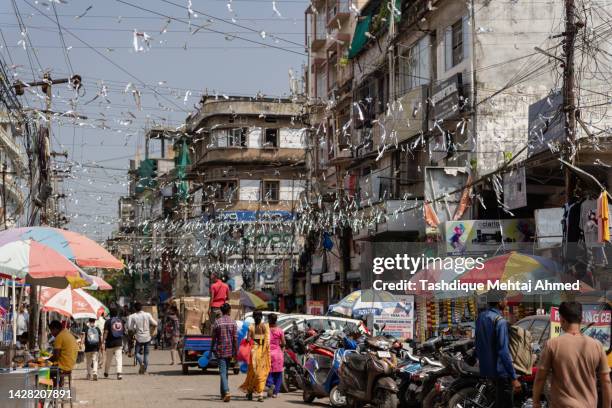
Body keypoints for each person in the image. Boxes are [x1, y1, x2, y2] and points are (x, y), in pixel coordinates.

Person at [532, 301, 611, 408]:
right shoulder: (597, 346)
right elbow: (606, 381)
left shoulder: (552, 344)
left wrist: (536, 402)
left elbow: (540, 378)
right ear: (581, 319)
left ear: (562, 319)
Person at [474, 291, 520, 408]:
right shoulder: (500, 321)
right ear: (499, 301)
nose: (507, 301)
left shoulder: (481, 317)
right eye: (505, 299)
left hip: (486, 370)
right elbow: (503, 352)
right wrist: (513, 377)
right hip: (500, 373)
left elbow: (477, 343)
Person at [239, 310, 270, 402]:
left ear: (253, 317)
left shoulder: (251, 327)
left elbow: (248, 340)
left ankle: (250, 392)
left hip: (253, 352)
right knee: (261, 373)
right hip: (263, 353)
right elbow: (267, 340)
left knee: (252, 373)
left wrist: (248, 339)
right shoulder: (265, 326)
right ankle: (260, 394)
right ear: (261, 317)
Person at [211, 303, 238, 402]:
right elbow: (235, 339)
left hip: (221, 350)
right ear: (229, 311)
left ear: (221, 311)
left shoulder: (217, 322)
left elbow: (213, 338)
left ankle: (226, 391)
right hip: (230, 350)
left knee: (222, 372)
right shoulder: (233, 322)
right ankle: (223, 394)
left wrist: (210, 350)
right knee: (225, 372)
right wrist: (236, 352)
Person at [129, 302, 157, 374]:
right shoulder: (147, 315)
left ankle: (141, 363)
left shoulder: (134, 316)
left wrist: (134, 331)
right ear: (142, 308)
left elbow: (131, 328)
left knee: (136, 353)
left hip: (139, 337)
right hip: (147, 336)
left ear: (135, 308)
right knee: (146, 354)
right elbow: (155, 323)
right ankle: (144, 369)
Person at [48, 320, 78, 384]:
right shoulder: (68, 333)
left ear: (55, 329)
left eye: (51, 331)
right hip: (70, 365)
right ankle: (58, 384)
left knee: (42, 371)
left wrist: (46, 361)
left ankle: (50, 389)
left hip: (62, 367)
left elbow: (56, 356)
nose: (52, 333)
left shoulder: (59, 337)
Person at [265, 313, 285, 398]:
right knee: (278, 373)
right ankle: (275, 393)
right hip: (278, 354)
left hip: (268, 353)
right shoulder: (280, 330)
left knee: (268, 371)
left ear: (269, 320)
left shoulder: (266, 330)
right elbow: (283, 343)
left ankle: (270, 384)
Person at [102, 307, 124, 380]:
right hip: (119, 342)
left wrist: (103, 341)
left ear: (110, 314)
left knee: (108, 359)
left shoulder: (108, 322)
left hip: (110, 343)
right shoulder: (120, 321)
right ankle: (119, 373)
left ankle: (106, 372)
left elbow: (106, 332)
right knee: (119, 358)